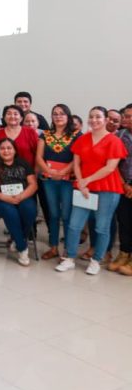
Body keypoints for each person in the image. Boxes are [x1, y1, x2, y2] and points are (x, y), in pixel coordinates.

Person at [56, 106, 127, 276]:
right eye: (91, 116)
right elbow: (76, 163)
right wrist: (81, 183)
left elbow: (110, 167)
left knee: (102, 226)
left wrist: (87, 180)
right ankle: (70, 258)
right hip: (83, 187)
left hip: (107, 188)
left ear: (106, 119)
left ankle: (96, 260)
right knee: (74, 225)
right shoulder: (82, 139)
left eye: (98, 117)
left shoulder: (114, 141)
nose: (94, 120)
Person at [0, 138, 38, 266]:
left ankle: (17, 239)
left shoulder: (23, 163)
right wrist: (5, 198)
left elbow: (33, 184)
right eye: (2, 148)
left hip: (21, 197)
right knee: (10, 212)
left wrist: (21, 196)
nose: (6, 151)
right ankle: (22, 248)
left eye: (9, 148)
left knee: (30, 210)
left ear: (14, 150)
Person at [36, 104, 80, 260]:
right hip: (49, 179)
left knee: (67, 215)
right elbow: (39, 157)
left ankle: (68, 249)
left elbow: (77, 159)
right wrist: (50, 172)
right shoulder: (45, 134)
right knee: (53, 214)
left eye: (62, 113)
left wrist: (62, 172)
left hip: (68, 180)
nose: (58, 116)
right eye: (55, 113)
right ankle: (53, 247)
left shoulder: (76, 135)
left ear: (68, 116)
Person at [109, 103, 132, 275]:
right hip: (123, 185)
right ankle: (124, 253)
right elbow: (114, 162)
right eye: (124, 116)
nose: (125, 119)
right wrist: (124, 183)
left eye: (129, 116)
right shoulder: (119, 135)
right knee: (124, 220)